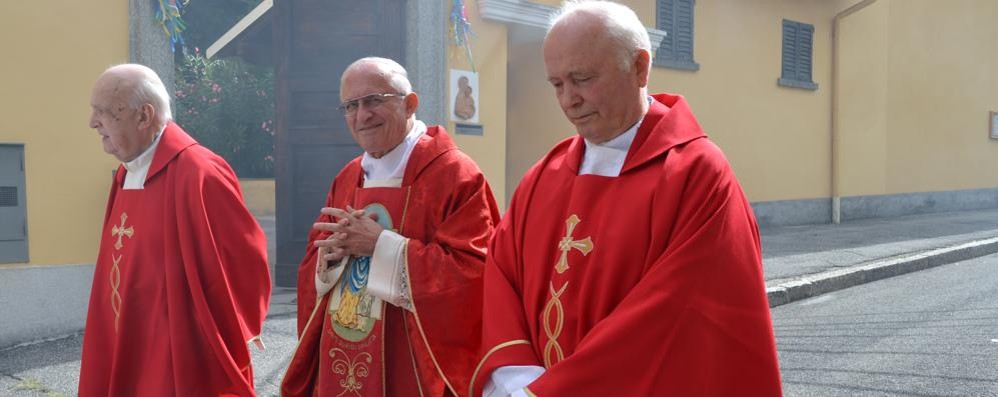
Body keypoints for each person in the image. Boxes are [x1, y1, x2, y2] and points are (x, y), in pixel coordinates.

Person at [472, 1, 783, 396]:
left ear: (639, 68)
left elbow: (679, 317)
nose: (569, 99)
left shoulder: (695, 174)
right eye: (556, 84)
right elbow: (502, 278)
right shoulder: (542, 177)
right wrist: (515, 378)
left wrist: (552, 390)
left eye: (582, 78)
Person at [281, 57, 501, 397]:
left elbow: (475, 272)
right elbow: (315, 258)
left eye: (373, 101)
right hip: (343, 358)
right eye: (351, 106)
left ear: (410, 103)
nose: (362, 115)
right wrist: (332, 257)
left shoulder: (454, 174)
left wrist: (381, 247)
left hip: (409, 365)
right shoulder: (348, 176)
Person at [79, 64, 272, 396]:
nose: (92, 122)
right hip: (125, 335)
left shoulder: (199, 173)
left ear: (144, 116)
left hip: (177, 354)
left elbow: (245, 261)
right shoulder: (128, 173)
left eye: (105, 112)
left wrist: (206, 332)